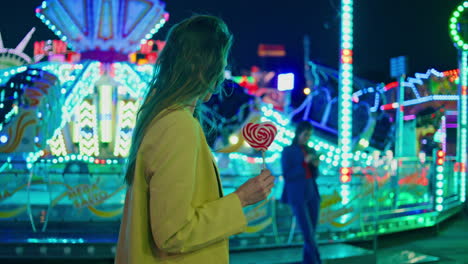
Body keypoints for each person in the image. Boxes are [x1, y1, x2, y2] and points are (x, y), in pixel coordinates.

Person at [115, 15, 275, 264]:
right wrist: (241, 198)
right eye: (220, 62)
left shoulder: (159, 117)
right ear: (204, 67)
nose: (222, 73)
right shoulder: (178, 127)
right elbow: (173, 233)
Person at [281, 120, 321, 264]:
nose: (307, 138)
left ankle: (308, 261)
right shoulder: (288, 151)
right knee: (308, 233)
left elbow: (315, 175)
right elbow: (287, 175)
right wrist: (304, 162)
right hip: (297, 195)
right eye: (305, 134)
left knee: (312, 233)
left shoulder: (311, 150)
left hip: (312, 193)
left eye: (309, 135)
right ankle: (317, 261)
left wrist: (314, 166)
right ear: (299, 133)